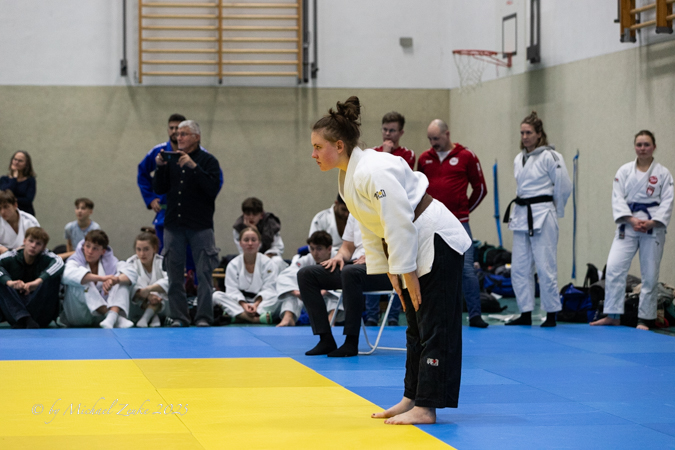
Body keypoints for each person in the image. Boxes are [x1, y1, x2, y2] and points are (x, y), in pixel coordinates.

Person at [310, 96, 472, 425]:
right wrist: (389, 271)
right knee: (415, 325)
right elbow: (371, 227)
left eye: (317, 147)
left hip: (436, 240)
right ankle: (412, 397)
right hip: (412, 244)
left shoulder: (372, 170)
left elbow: (397, 219)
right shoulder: (349, 176)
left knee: (434, 324)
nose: (313, 154)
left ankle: (427, 406)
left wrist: (405, 270)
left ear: (339, 146)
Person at [591, 130, 673, 330]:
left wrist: (653, 222)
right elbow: (617, 198)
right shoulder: (624, 171)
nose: (642, 148)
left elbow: (668, 201)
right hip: (627, 225)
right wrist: (630, 219)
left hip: (652, 227)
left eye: (646, 144)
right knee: (614, 267)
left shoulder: (663, 174)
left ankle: (645, 318)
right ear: (635, 147)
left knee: (650, 274)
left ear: (654, 147)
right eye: (639, 145)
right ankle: (613, 315)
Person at [502, 111, 572, 327]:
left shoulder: (551, 156)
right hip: (522, 214)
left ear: (539, 134)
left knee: (545, 267)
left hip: (543, 214)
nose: (525, 137)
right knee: (519, 268)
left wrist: (554, 209)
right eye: (522, 133)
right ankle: (525, 312)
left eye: (529, 133)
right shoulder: (519, 158)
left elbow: (564, 186)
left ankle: (551, 314)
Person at [418, 119, 489, 328]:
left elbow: (480, 188)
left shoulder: (466, 156)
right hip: (431, 224)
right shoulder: (424, 159)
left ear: (447, 134)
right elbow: (418, 189)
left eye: (436, 138)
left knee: (466, 269)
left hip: (459, 222)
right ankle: (429, 316)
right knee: (428, 268)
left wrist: (464, 210)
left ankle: (475, 315)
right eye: (430, 139)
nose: (433, 143)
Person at [153, 119, 221, 327]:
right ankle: (179, 317)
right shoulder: (172, 160)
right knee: (174, 274)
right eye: (177, 134)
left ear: (196, 137)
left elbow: (212, 189)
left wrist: (194, 167)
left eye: (183, 134)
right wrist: (160, 168)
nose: (178, 137)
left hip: (200, 225)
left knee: (204, 274)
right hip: (174, 224)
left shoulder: (208, 161)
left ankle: (204, 317)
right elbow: (159, 189)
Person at [298, 213, 393, 356]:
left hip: (385, 270)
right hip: (355, 266)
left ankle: (351, 342)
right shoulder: (355, 210)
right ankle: (325, 339)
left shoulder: (389, 207)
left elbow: (401, 242)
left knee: (350, 272)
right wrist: (339, 256)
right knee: (306, 274)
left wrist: (376, 256)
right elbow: (347, 248)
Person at [61, 230, 135, 328]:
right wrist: (102, 278)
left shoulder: (111, 262)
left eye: (95, 248)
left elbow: (132, 272)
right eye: (87, 246)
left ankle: (111, 317)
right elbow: (66, 275)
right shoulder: (74, 261)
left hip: (101, 320)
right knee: (83, 279)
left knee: (122, 280)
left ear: (103, 251)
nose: (90, 251)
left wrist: (115, 280)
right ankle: (113, 317)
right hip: (78, 315)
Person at [138, 113, 186, 249]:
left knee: (189, 257)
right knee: (163, 254)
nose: (174, 131)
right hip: (164, 214)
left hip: (189, 214)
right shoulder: (159, 151)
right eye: (171, 128)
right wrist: (150, 198)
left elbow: (214, 180)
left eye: (178, 128)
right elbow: (142, 173)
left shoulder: (197, 153)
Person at [212, 227, 279, 324]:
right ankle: (255, 319)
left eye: (253, 240)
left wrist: (255, 305)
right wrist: (243, 305)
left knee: (278, 297)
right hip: (240, 304)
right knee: (216, 296)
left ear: (259, 243)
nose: (250, 243)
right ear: (240, 243)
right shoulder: (233, 264)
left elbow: (270, 289)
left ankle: (239, 316)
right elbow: (232, 290)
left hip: (261, 303)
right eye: (246, 240)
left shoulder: (268, 263)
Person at [275, 231, 342, 327]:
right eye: (312, 248)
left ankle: (331, 320)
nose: (315, 253)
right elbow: (286, 275)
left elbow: (345, 282)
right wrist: (296, 292)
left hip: (331, 302)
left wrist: (326, 291)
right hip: (312, 300)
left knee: (337, 296)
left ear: (329, 249)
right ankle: (288, 318)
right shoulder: (307, 259)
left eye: (319, 249)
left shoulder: (338, 258)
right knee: (292, 292)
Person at [0, 227, 64, 328]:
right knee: (2, 279)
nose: (33, 246)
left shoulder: (47, 256)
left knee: (53, 275)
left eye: (38, 243)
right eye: (31, 241)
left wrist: (38, 282)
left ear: (44, 247)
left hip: (40, 315)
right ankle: (24, 318)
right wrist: (9, 283)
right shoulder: (12, 256)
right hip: (15, 314)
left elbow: (59, 263)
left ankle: (24, 318)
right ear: (24, 241)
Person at [126, 230, 169, 328]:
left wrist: (149, 289)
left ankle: (146, 318)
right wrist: (148, 295)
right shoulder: (131, 263)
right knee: (130, 285)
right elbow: (132, 284)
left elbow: (170, 281)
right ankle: (151, 315)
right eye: (138, 249)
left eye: (146, 249)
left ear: (154, 248)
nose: (142, 254)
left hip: (163, 306)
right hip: (139, 305)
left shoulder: (162, 262)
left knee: (161, 291)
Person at [232, 197, 287, 272]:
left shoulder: (271, 224)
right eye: (248, 214)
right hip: (250, 258)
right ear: (243, 214)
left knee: (277, 261)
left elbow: (278, 247)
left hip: (269, 257)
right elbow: (243, 250)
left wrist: (264, 258)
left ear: (261, 215)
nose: (251, 217)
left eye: (254, 214)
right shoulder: (238, 228)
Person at [0, 190, 40, 255]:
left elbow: (38, 244)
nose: (2, 212)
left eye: (6, 207)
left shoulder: (30, 221)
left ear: (15, 205)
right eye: (0, 208)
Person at [0, 151, 37, 216]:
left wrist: (11, 200)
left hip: (25, 214)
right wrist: (14, 178)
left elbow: (28, 200)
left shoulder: (30, 180)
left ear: (26, 164)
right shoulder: (4, 179)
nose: (16, 162)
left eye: (20, 161)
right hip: (6, 214)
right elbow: (5, 194)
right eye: (15, 159)